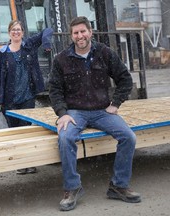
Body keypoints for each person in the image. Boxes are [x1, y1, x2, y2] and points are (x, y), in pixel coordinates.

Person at [48, 16, 141, 211]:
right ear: (71, 36)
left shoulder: (105, 54)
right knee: (65, 138)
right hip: (75, 112)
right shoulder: (61, 60)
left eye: (83, 31)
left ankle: (118, 186)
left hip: (102, 111)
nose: (80, 36)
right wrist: (62, 113)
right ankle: (72, 188)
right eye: (75, 33)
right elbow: (55, 90)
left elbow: (125, 79)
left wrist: (115, 104)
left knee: (129, 137)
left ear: (90, 32)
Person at [0, 20, 53, 174]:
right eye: (13, 29)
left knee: (26, 131)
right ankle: (20, 163)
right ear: (9, 32)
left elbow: (48, 29)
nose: (16, 32)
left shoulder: (29, 46)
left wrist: (46, 43)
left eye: (18, 30)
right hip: (9, 100)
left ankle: (30, 162)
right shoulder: (3, 53)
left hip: (27, 97)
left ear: (23, 32)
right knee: (14, 132)